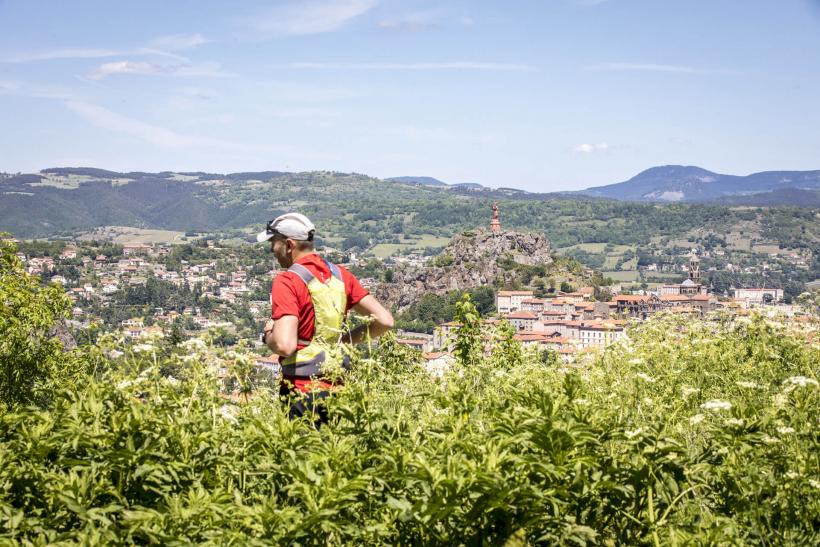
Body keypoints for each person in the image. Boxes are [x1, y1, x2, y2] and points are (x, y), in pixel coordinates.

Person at [257, 212, 394, 424]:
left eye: (274, 243)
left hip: (300, 390)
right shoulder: (340, 276)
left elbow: (284, 345)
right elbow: (385, 321)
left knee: (304, 454)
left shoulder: (287, 281)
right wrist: (344, 341)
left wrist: (267, 335)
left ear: (289, 245)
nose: (271, 249)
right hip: (337, 386)